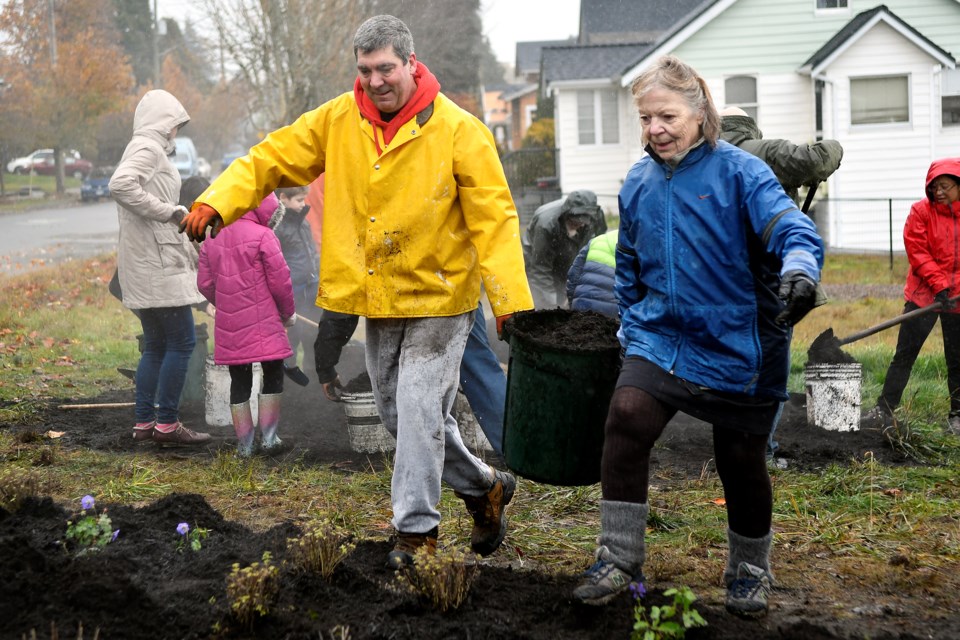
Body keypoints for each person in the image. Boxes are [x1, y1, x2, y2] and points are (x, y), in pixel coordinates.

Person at [179, 15, 533, 568]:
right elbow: (269, 158)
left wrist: (511, 302)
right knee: (397, 414)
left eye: (386, 68)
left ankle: (416, 534)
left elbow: (496, 219)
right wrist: (219, 200)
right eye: (365, 70)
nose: (375, 80)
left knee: (417, 408)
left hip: (443, 296)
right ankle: (484, 487)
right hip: (379, 295)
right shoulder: (337, 121)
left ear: (411, 64)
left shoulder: (461, 131)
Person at [572, 56, 823, 618]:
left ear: (700, 112)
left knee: (739, 456)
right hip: (662, 335)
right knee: (627, 414)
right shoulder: (637, 181)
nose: (655, 129)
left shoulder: (740, 173)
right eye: (645, 118)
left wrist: (801, 269)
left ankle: (749, 569)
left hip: (742, 340)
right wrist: (633, 326)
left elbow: (790, 227)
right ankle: (618, 555)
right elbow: (630, 263)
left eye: (666, 116)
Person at [720, 106, 842, 465]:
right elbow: (819, 158)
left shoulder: (700, 158)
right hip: (763, 278)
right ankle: (762, 452)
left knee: (728, 365)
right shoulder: (762, 151)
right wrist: (835, 147)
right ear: (749, 127)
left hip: (715, 280)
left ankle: (727, 445)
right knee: (769, 363)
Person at [109, 89, 212, 446]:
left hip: (149, 261)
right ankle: (167, 423)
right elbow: (121, 185)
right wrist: (169, 211)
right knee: (181, 342)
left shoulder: (143, 147)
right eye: (175, 126)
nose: (176, 134)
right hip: (157, 264)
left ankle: (144, 422)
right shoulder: (147, 148)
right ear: (162, 121)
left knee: (155, 344)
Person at [315, 302, 509, 455]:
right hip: (457, 291)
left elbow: (345, 293)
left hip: (404, 301)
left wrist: (325, 363)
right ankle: (513, 451)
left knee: (408, 402)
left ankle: (486, 466)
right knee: (480, 371)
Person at [863, 160, 960, 436]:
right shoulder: (921, 211)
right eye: (934, 186)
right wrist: (939, 285)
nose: (938, 191)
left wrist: (952, 290)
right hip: (925, 295)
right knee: (904, 355)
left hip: (958, 299)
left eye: (944, 186)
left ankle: (958, 415)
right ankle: (884, 409)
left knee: (957, 359)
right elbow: (917, 250)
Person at [197, 192, 296, 456]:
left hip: (231, 325)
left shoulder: (212, 237)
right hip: (265, 322)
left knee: (239, 381)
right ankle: (270, 438)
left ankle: (245, 444)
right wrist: (287, 313)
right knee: (273, 373)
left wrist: (226, 302)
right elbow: (281, 281)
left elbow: (204, 284)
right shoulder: (264, 236)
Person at [719, 107, 843, 204]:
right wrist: (836, 147)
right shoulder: (771, 152)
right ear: (750, 127)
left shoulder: (707, 160)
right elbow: (816, 162)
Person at [523, 190, 607, 309]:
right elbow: (540, 270)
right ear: (567, 215)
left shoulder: (595, 215)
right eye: (575, 221)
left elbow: (599, 247)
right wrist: (552, 307)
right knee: (543, 302)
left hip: (567, 254)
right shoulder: (546, 224)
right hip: (536, 258)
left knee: (565, 291)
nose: (580, 225)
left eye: (584, 222)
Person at [273, 185, 321, 387]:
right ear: (283, 197)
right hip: (292, 292)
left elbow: (310, 251)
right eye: (299, 200)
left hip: (311, 288)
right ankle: (287, 383)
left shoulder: (303, 223)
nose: (304, 204)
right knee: (292, 338)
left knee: (313, 337)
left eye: (304, 200)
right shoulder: (277, 228)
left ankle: (315, 378)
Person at [566, 228, 619, 319]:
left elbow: (573, 276)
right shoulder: (642, 245)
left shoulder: (598, 240)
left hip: (582, 308)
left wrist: (572, 304)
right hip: (614, 313)